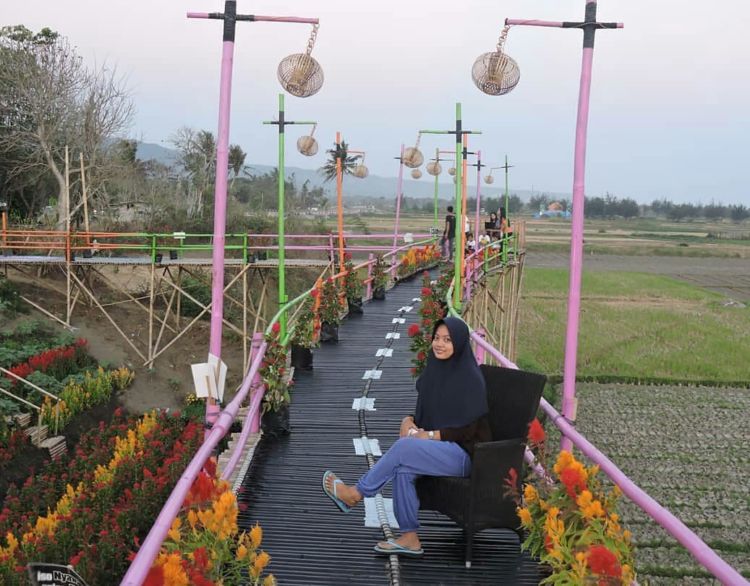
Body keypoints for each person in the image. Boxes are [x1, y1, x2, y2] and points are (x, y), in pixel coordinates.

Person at [322, 317, 491, 557]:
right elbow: (430, 411)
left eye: (447, 340)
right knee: (403, 469)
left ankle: (355, 494)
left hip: (464, 454)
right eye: (436, 338)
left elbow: (470, 430)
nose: (439, 344)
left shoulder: (470, 379)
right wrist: (409, 420)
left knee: (404, 449)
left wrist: (431, 435)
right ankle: (410, 537)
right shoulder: (435, 371)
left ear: (461, 344)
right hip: (438, 449)